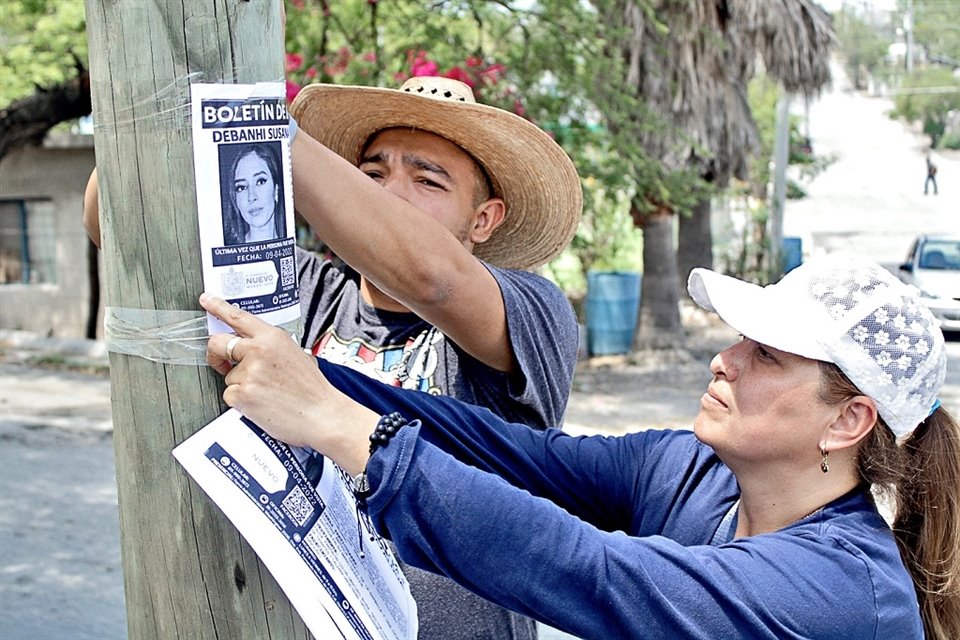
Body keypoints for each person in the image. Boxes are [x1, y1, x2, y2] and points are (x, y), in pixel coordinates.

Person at [201, 252, 960, 640]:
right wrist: (314, 381)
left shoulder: (841, 589)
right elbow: (513, 455)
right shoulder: (698, 472)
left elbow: (581, 566)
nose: (723, 359)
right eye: (739, 340)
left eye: (768, 355)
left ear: (847, 422)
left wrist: (341, 429)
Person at [83, 75, 582, 639]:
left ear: (484, 219)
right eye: (371, 175)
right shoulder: (307, 291)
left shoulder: (531, 311)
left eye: (427, 180)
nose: (388, 195)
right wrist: (148, 108)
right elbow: (121, 228)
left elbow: (433, 279)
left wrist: (262, 121)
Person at [222, 143, 286, 245]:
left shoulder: (303, 258)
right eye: (241, 187)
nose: (251, 197)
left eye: (260, 181)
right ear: (235, 199)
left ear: (276, 189)